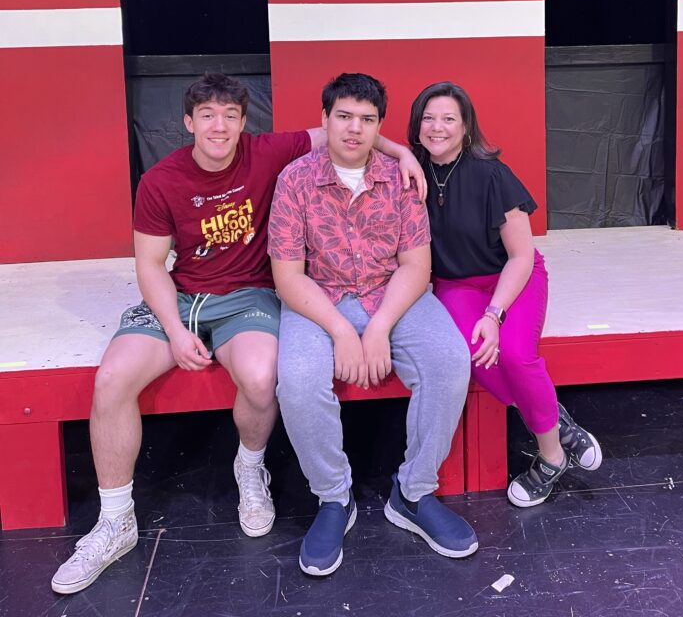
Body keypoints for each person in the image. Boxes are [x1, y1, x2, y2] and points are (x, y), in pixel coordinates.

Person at [51, 72, 425, 595]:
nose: (219, 126)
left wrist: (403, 153)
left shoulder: (267, 152)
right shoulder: (160, 180)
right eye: (207, 116)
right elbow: (152, 266)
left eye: (230, 115)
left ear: (244, 123)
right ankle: (115, 521)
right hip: (179, 296)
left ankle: (250, 469)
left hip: (247, 295)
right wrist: (176, 331)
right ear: (188, 123)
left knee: (261, 373)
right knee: (112, 378)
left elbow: (345, 129)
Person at [268, 73, 478, 577]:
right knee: (296, 382)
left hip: (393, 294)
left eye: (367, 120)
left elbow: (416, 265)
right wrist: (343, 330)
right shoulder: (295, 179)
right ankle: (333, 499)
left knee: (449, 362)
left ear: (379, 125)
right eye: (344, 116)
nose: (354, 129)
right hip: (319, 298)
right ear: (325, 120)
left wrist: (378, 327)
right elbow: (287, 278)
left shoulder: (399, 178)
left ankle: (413, 492)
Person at [407, 81, 602, 509]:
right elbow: (367, 138)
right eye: (428, 118)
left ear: (466, 127)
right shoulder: (409, 172)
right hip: (457, 284)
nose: (437, 127)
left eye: (448, 119)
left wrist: (494, 314)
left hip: (513, 276)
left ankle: (549, 459)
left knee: (515, 353)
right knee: (471, 356)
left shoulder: (491, 173)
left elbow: (521, 255)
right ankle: (556, 429)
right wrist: (403, 153)